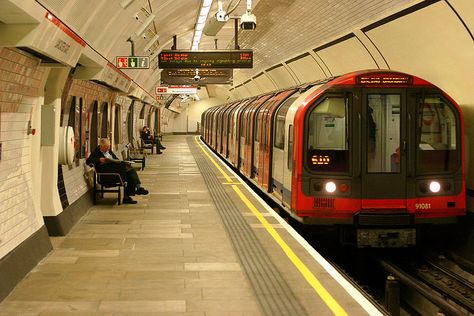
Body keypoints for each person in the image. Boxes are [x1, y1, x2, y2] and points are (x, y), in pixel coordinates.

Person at [86, 138, 148, 204]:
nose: (108, 149)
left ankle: (132, 192)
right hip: (107, 173)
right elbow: (88, 161)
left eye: (108, 147)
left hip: (116, 170)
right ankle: (136, 188)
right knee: (129, 170)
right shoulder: (96, 152)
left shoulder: (109, 151)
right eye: (106, 147)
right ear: (101, 146)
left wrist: (115, 161)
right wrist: (99, 160)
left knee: (129, 172)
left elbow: (116, 159)